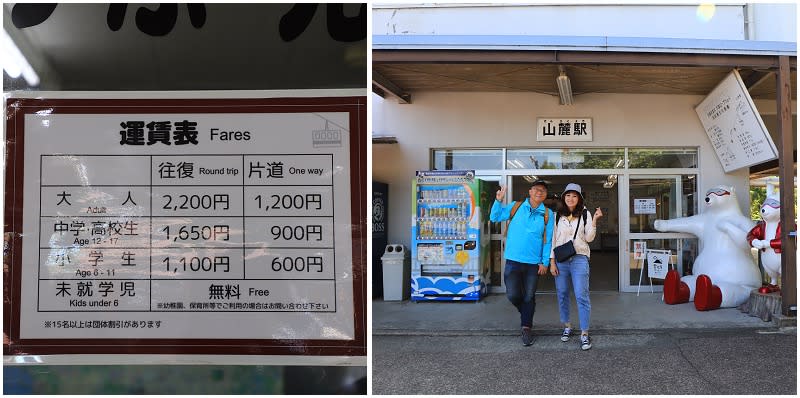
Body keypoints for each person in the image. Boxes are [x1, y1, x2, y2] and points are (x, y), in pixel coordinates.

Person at [490, 180, 554, 346]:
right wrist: (498, 200)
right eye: (537, 189)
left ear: (546, 195)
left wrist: (544, 262)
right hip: (513, 260)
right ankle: (525, 312)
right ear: (530, 191)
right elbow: (494, 217)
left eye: (543, 191)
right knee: (513, 295)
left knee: (529, 296)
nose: (540, 192)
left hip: (534, 263)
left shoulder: (548, 214)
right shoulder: (515, 207)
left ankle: (526, 328)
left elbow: (547, 241)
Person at [549, 183, 602, 351]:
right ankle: (567, 326)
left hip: (579, 258)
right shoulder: (558, 216)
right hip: (561, 260)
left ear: (579, 198)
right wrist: (552, 262)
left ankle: (584, 333)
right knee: (562, 294)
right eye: (567, 195)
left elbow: (589, 238)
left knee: (581, 295)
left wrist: (594, 220)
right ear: (563, 198)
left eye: (574, 195)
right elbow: (553, 240)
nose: (570, 198)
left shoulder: (585, 214)